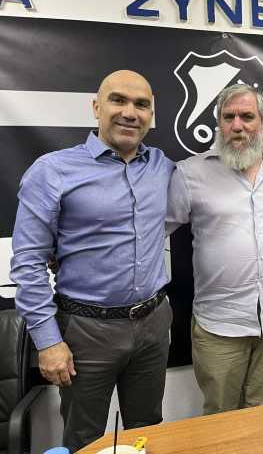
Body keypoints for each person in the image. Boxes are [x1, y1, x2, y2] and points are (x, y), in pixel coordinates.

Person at [10, 70, 174, 452]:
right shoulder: (52, 171)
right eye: (118, 100)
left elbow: (220, 169)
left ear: (151, 115)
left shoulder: (162, 166)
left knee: (148, 432)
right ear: (96, 107)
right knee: (86, 439)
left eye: (141, 104)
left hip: (153, 325)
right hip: (86, 332)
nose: (130, 112)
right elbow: (28, 263)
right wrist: (48, 341)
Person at [166, 84, 263, 415]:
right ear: (219, 124)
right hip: (219, 327)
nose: (237, 125)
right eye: (228, 117)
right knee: (221, 420)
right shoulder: (190, 173)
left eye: (247, 117)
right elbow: (153, 232)